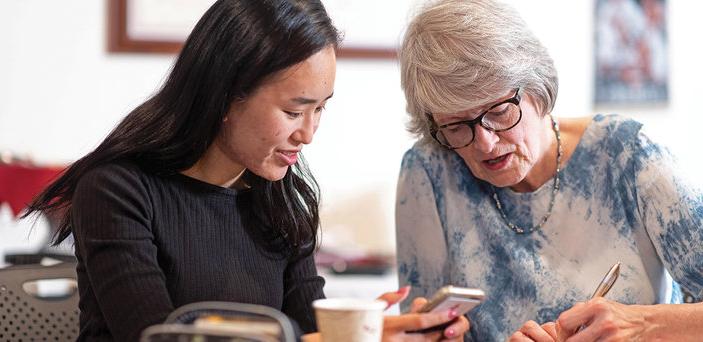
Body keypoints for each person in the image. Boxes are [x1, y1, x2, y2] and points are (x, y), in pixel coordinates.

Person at [25, 0, 468, 340]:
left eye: (320, 110)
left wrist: (364, 333)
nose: (308, 134)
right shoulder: (116, 190)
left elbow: (306, 325)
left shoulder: (281, 198)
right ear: (225, 96)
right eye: (295, 111)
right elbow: (158, 336)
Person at [395, 0, 703, 341]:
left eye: (498, 111)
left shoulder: (629, 157)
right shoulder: (430, 172)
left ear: (538, 89)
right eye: (456, 125)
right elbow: (420, 332)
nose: (484, 143)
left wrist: (642, 325)